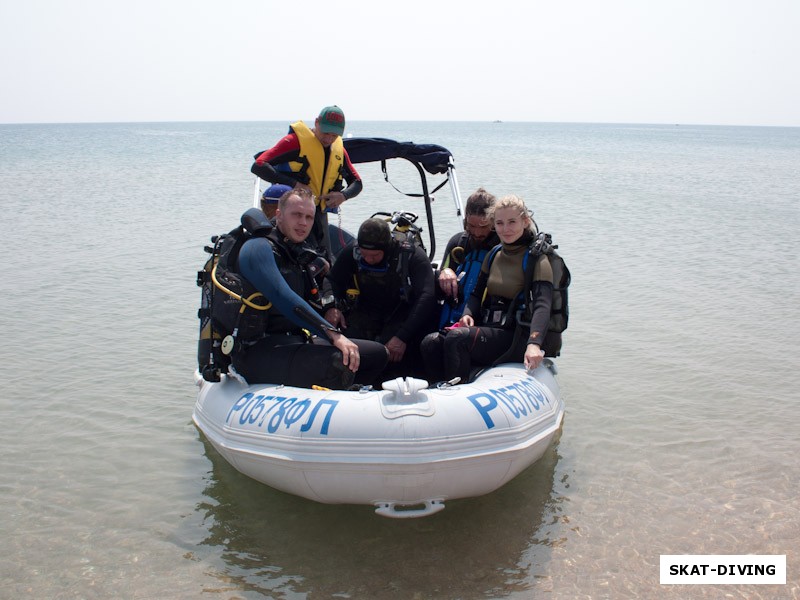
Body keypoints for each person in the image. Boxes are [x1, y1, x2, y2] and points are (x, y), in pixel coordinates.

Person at [216, 187, 387, 389]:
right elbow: (282, 296)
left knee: (377, 354)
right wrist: (333, 334)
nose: (303, 223)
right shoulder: (257, 248)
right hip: (256, 352)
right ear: (279, 215)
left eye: (309, 217)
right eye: (296, 215)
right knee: (338, 362)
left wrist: (331, 307)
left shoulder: (296, 252)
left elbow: (315, 293)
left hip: (294, 342)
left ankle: (356, 402)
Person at [419, 194, 553, 383]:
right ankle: (438, 397)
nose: (505, 229)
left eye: (512, 222)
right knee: (430, 343)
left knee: (458, 339)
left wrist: (534, 344)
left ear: (525, 221)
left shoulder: (536, 259)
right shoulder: (494, 254)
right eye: (500, 223)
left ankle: (457, 394)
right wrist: (468, 314)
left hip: (517, 335)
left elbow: (543, 305)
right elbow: (476, 293)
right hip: (492, 328)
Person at [323, 217, 436, 380]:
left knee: (391, 352)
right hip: (367, 311)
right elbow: (331, 279)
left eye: (374, 256)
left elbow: (427, 297)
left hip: (402, 314)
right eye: (364, 254)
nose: (368, 259)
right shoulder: (353, 252)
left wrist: (402, 337)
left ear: (387, 248)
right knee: (346, 340)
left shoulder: (411, 255)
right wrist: (331, 306)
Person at [251, 105, 363, 257]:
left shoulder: (339, 151)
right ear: (316, 122)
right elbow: (258, 165)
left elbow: (357, 183)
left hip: (319, 215)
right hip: (293, 213)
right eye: (325, 133)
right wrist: (294, 184)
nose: (329, 139)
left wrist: (343, 196)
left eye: (334, 135)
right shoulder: (294, 142)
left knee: (324, 260)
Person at [435, 187, 500, 328]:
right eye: (471, 225)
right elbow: (443, 270)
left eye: (483, 226)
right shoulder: (458, 243)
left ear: (494, 222)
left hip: (486, 320)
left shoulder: (502, 247)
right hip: (455, 313)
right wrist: (445, 272)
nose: (477, 232)